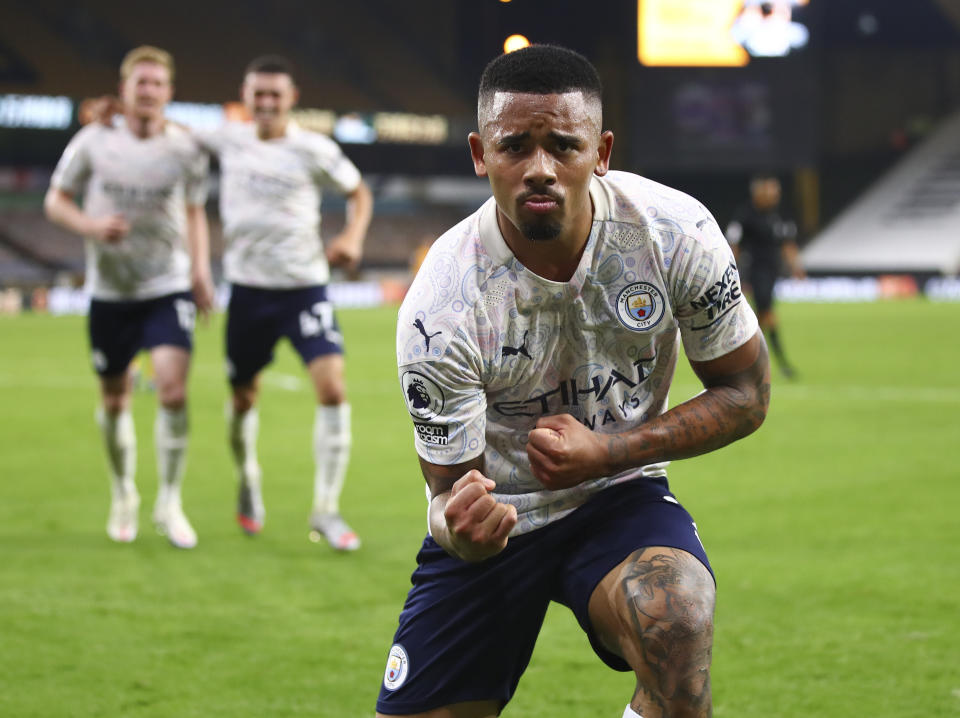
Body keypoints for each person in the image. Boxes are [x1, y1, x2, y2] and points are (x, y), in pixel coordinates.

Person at [378, 45, 770, 718]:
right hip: (501, 520)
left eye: (564, 146)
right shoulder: (441, 306)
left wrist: (609, 452)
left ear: (602, 150)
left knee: (673, 615)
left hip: (619, 496)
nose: (540, 169)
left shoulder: (675, 235)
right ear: (479, 154)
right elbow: (448, 497)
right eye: (514, 147)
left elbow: (747, 394)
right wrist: (460, 528)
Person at [195, 56, 373, 549]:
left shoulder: (313, 148)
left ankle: (326, 510)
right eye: (259, 93)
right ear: (245, 96)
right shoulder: (227, 139)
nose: (267, 102)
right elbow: (166, 128)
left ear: (292, 98)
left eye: (276, 94)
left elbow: (359, 192)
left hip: (304, 287)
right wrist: (112, 114)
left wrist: (353, 237)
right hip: (248, 292)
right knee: (242, 398)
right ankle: (248, 479)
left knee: (333, 389)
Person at [44, 45, 213, 549]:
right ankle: (123, 494)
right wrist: (91, 226)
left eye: (157, 84)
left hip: (167, 285)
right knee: (115, 399)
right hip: (109, 291)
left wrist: (201, 269)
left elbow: (195, 210)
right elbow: (56, 199)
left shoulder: (185, 148)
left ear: (169, 93)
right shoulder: (92, 141)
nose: (148, 91)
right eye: (140, 82)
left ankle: (169, 501)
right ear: (124, 90)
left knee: (173, 392)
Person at [725, 174, 805, 378]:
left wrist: (796, 266)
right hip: (755, 271)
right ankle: (779, 362)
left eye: (776, 192)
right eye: (771, 191)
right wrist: (730, 271)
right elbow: (734, 245)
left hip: (772, 272)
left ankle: (750, 361)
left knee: (761, 317)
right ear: (758, 193)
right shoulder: (746, 215)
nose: (775, 195)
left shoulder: (780, 216)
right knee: (766, 314)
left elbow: (788, 243)